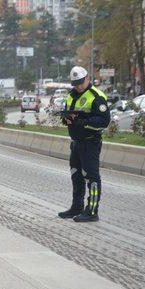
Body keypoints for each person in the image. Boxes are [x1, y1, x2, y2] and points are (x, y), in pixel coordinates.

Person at [58, 66, 110, 222]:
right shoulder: (70, 96)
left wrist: (84, 122)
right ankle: (77, 207)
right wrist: (66, 119)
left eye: (81, 82)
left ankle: (92, 211)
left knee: (92, 178)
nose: (78, 86)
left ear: (88, 78)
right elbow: (68, 115)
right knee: (76, 176)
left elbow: (103, 122)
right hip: (76, 143)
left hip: (90, 143)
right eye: (75, 83)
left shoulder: (97, 97)